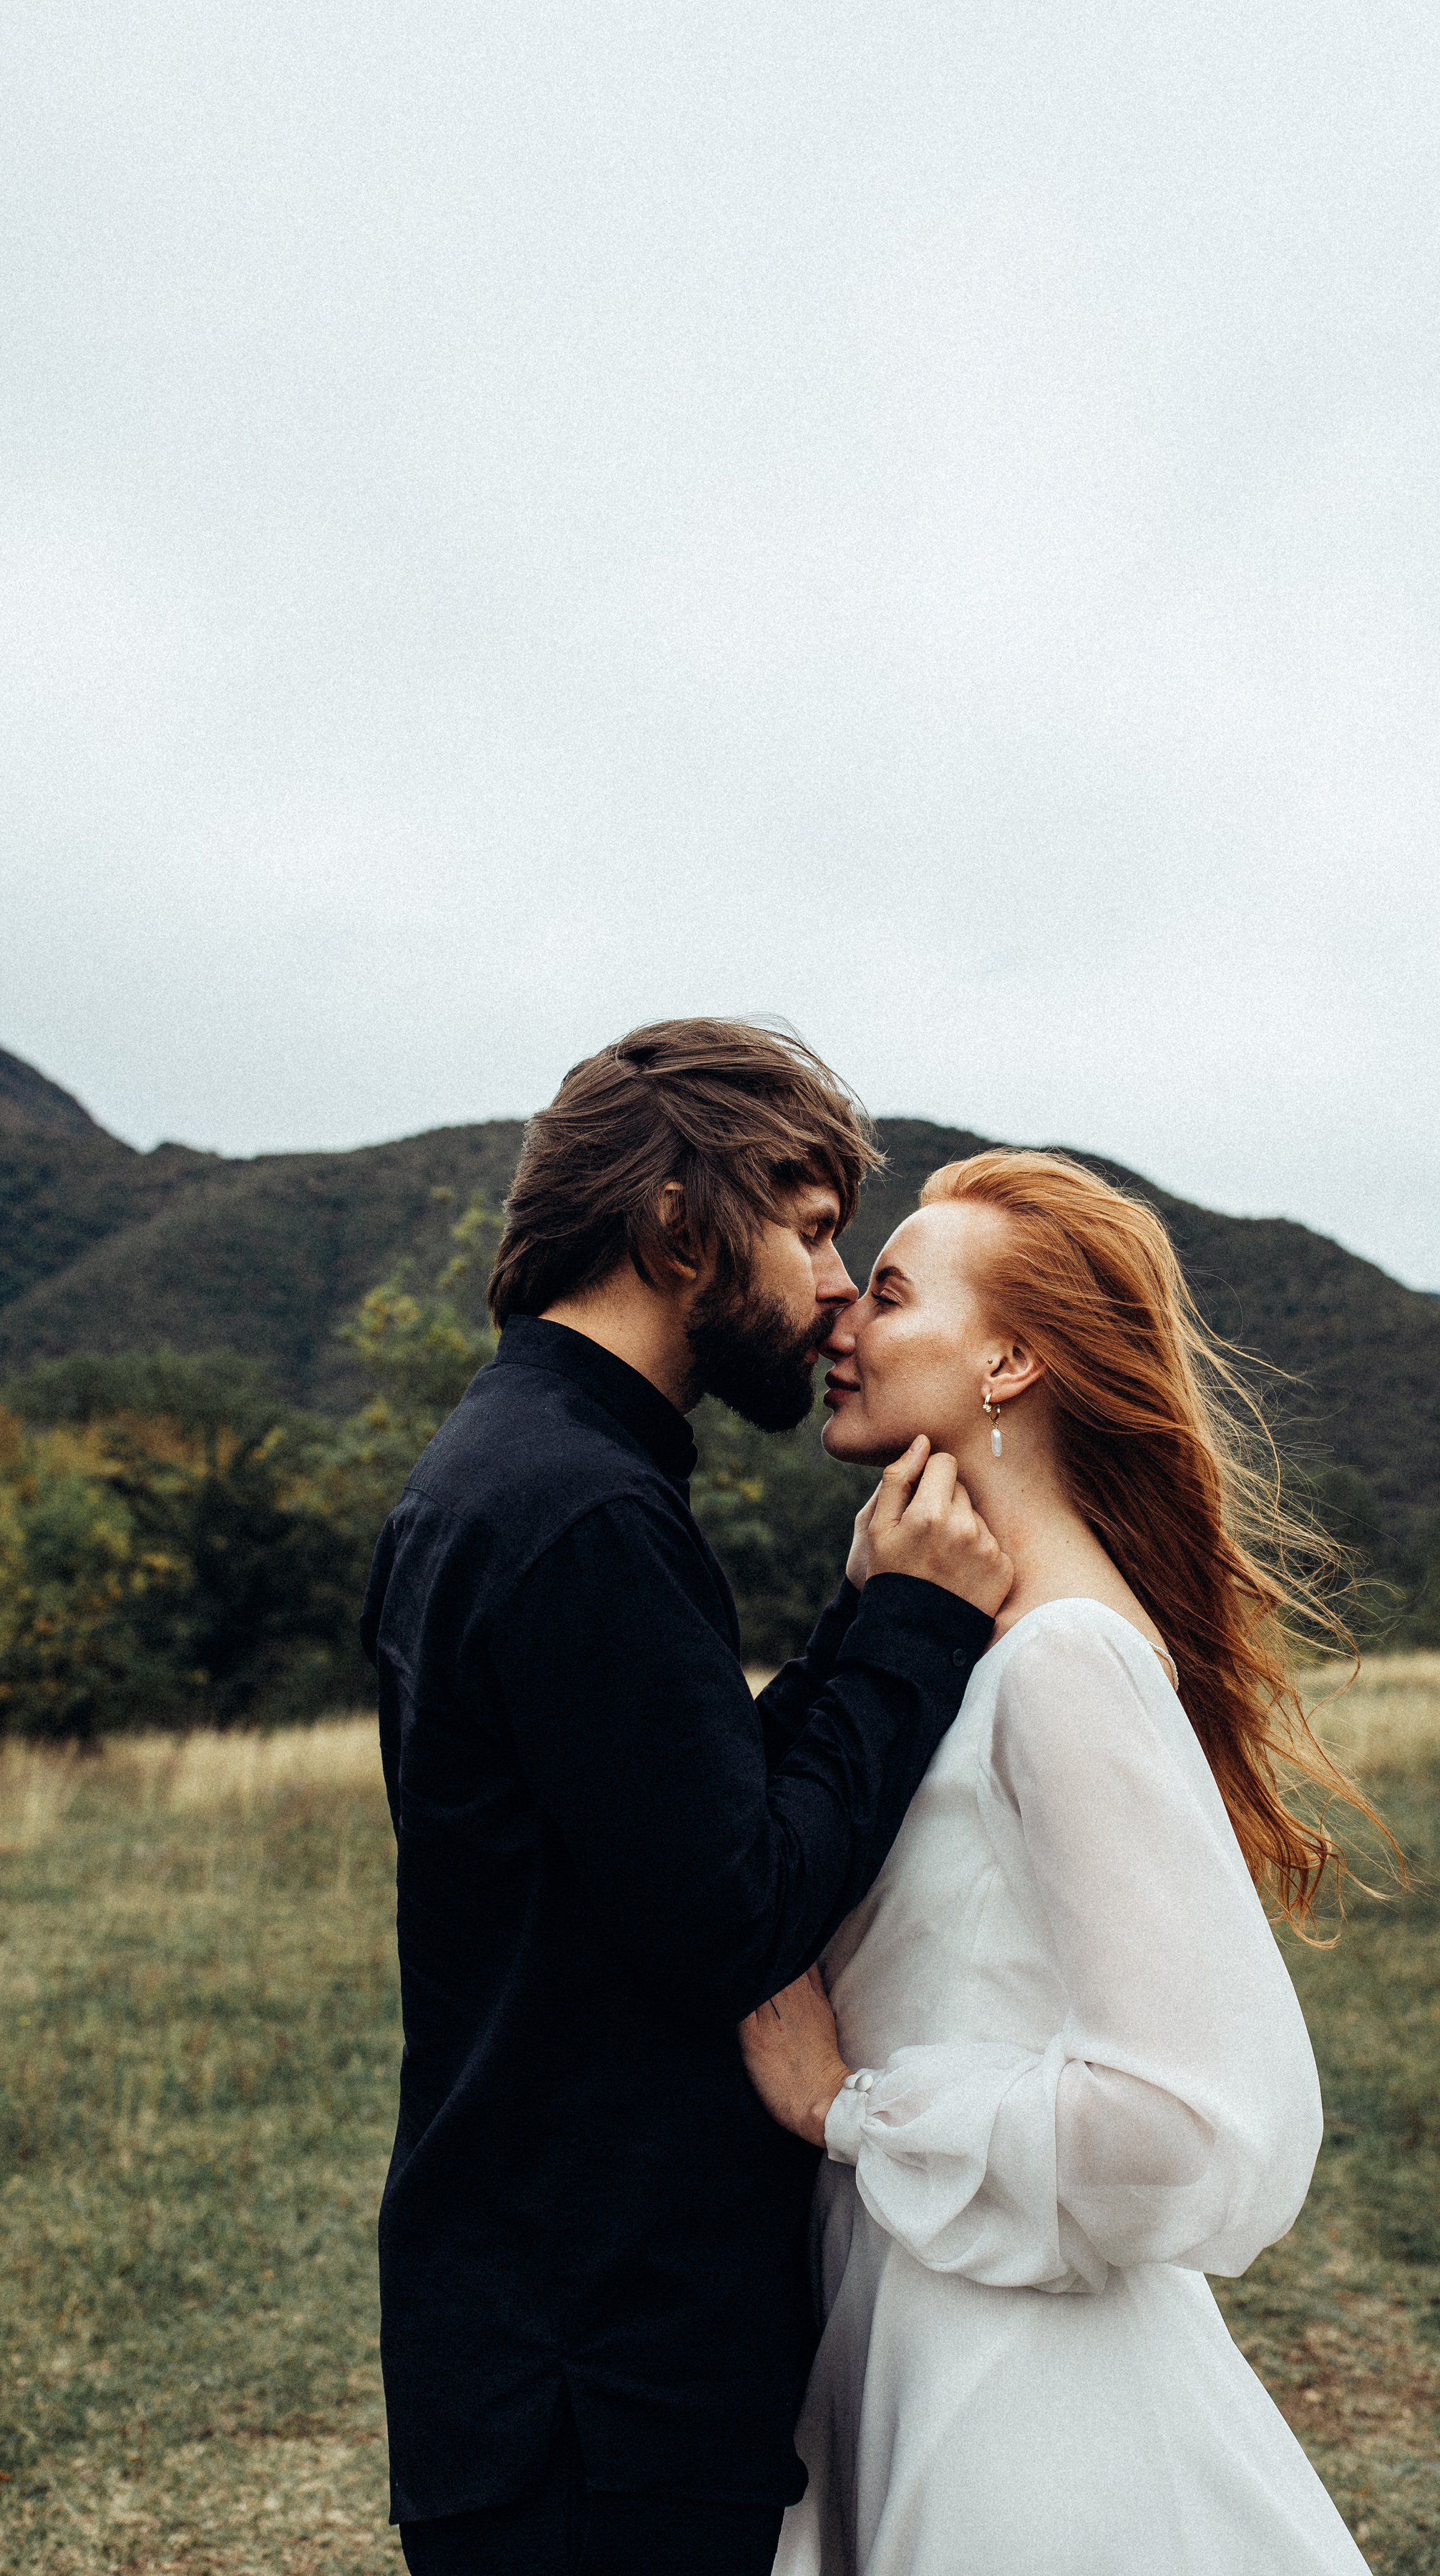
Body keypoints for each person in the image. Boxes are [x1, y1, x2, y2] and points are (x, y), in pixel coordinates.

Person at [363, 1020, 1013, 2576]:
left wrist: (859, 1620)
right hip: (596, 2377)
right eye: (809, 1230)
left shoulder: (521, 1469)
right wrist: (915, 1628)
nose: (837, 1284)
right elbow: (736, 1913)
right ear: (675, 1226)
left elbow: (665, 1816)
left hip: (545, 2343)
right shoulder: (582, 1508)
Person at [740, 1148, 1388, 2576]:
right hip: (898, 2297)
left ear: (1009, 1361)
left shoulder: (1065, 1657)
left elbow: (1181, 2118)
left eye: (890, 1294)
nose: (840, 1317)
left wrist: (847, 2108)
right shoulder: (955, 1633)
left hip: (1014, 2382)